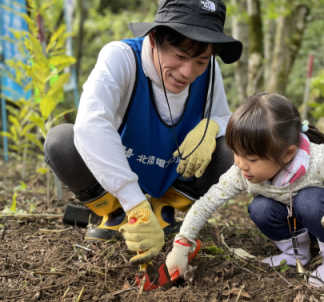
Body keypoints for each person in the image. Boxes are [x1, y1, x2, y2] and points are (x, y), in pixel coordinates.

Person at [43, 0, 242, 266]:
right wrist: (134, 202)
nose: (188, 72)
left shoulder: (209, 73)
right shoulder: (122, 58)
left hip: (171, 171)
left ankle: (164, 210)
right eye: (180, 56)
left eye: (200, 61)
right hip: (119, 173)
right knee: (61, 142)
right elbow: (92, 123)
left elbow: (222, 115)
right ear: (154, 37)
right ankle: (117, 214)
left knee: (232, 150)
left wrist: (213, 126)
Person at [166, 92, 324, 287]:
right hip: (294, 218)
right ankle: (295, 254)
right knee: (260, 207)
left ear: (288, 153)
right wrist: (182, 243)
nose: (240, 164)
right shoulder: (240, 171)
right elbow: (206, 203)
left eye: (252, 159)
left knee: (307, 200)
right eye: (236, 153)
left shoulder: (317, 161)